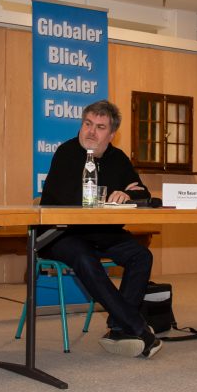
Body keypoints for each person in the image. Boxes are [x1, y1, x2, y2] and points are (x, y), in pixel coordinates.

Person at [39, 100, 161, 359]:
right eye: (87, 124)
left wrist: (127, 195)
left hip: (101, 231)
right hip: (60, 232)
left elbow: (143, 193)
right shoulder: (66, 152)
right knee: (85, 257)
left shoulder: (118, 158)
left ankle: (119, 327)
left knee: (142, 256)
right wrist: (109, 198)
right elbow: (69, 201)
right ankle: (138, 327)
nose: (91, 132)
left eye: (100, 127)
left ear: (111, 134)